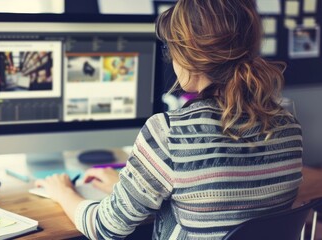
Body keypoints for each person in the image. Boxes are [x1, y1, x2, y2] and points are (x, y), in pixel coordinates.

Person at [34, 0, 303, 239]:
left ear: (187, 56)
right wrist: (126, 185)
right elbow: (216, 195)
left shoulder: (170, 133)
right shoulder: (289, 126)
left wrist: (62, 192)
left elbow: (105, 227)